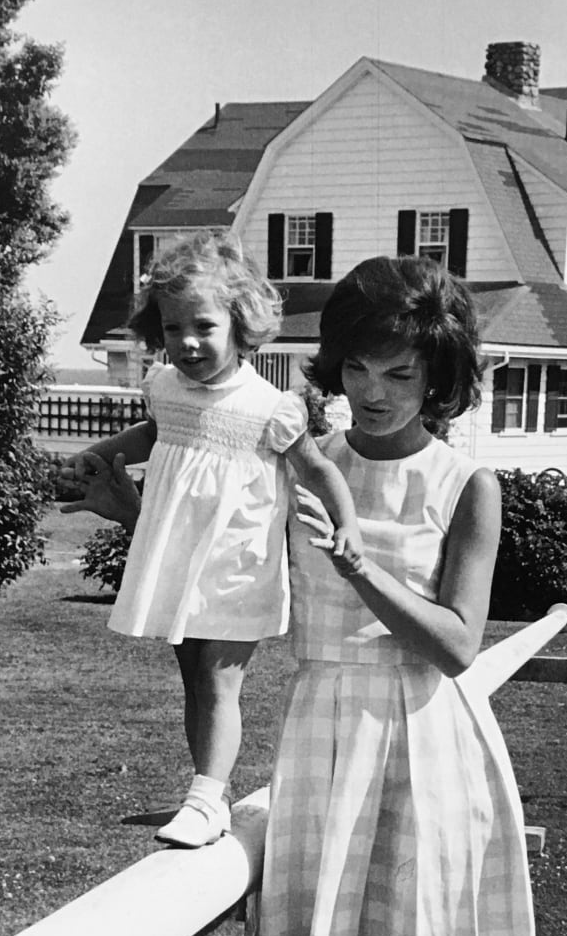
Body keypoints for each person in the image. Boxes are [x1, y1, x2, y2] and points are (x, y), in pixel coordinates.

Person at [241, 256, 539, 936]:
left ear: (442, 380)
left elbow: (458, 643)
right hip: (324, 725)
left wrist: (363, 564)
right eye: (359, 366)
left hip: (422, 734)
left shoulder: (468, 483)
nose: (373, 391)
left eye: (401, 375)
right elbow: (222, 541)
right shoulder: (303, 457)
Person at [60, 230, 361, 847]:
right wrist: (99, 452)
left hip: (237, 563)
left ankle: (203, 800)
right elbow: (153, 434)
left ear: (241, 323)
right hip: (178, 561)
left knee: (221, 678)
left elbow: (319, 468)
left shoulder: (269, 407)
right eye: (173, 328)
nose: (187, 342)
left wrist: (347, 524)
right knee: (195, 676)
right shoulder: (166, 388)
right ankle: (209, 795)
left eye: (203, 325)